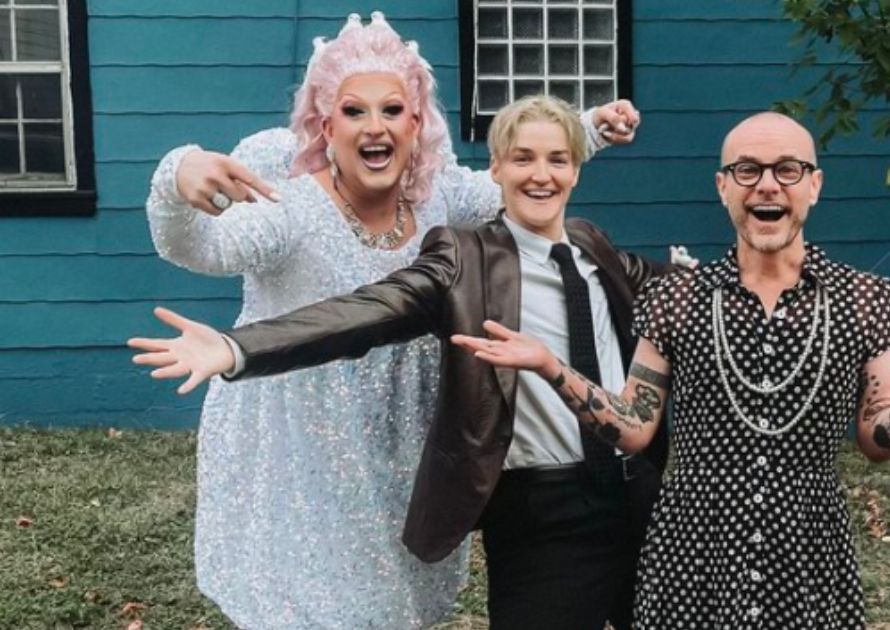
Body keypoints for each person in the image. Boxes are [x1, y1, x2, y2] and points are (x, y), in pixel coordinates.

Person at [142, 12, 641, 630]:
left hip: (405, 438)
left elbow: (517, 179)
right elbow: (201, 248)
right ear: (327, 127)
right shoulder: (289, 206)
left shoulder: (438, 196)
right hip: (303, 444)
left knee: (393, 601)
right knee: (322, 604)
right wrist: (177, 175)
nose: (374, 127)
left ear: (416, 124)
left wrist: (590, 127)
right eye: (354, 112)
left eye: (392, 111)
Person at [450, 111, 890, 629]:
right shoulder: (677, 300)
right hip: (693, 549)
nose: (767, 185)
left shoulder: (866, 299)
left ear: (814, 185)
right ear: (723, 187)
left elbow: (878, 438)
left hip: (806, 546)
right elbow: (633, 426)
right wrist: (554, 367)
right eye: (747, 170)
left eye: (787, 169)